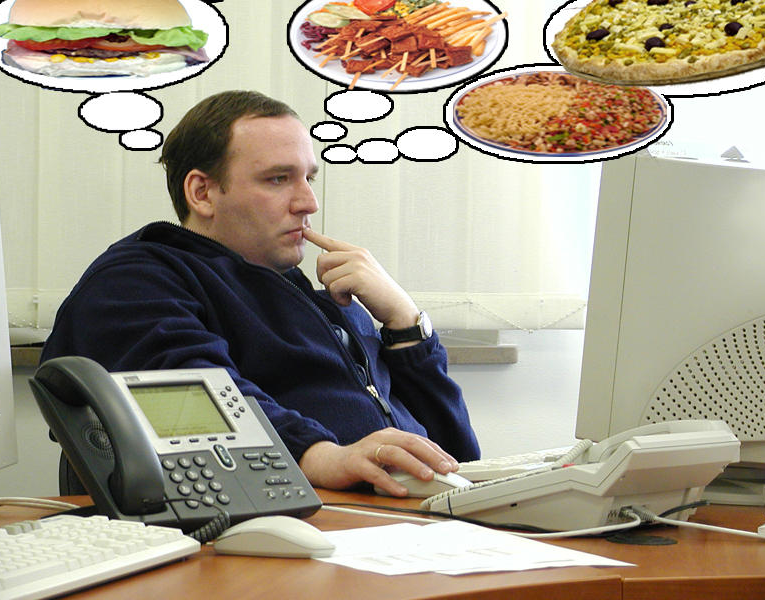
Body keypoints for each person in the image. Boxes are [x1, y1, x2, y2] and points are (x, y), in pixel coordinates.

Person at [41, 90, 480, 497]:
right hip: (296, 529)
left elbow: (461, 454)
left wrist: (406, 325)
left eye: (308, 177)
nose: (308, 202)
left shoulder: (320, 297)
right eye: (277, 179)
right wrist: (322, 456)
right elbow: (197, 395)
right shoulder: (136, 281)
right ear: (202, 192)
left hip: (402, 517)